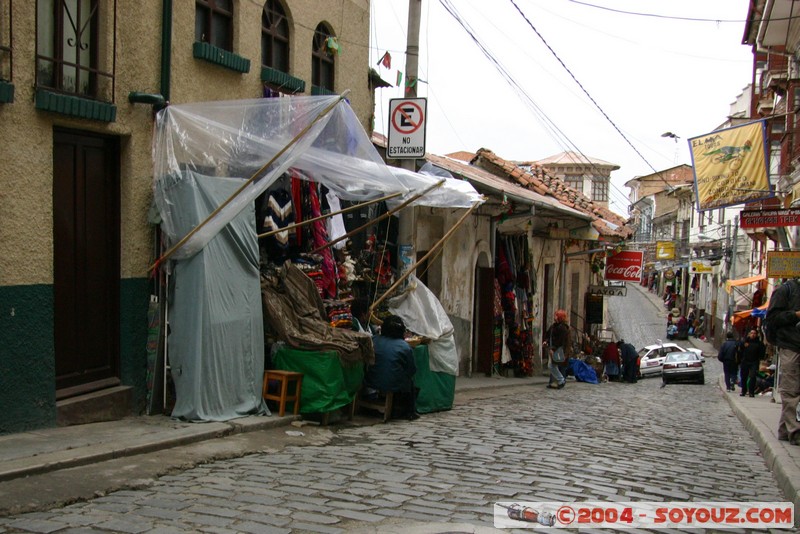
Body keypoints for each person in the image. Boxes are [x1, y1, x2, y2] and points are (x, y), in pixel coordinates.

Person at [764, 279, 800, 445]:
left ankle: (784, 430)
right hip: (790, 345)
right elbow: (772, 319)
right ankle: (795, 431)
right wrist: (795, 315)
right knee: (791, 389)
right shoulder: (785, 290)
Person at [363, 315, 419, 420]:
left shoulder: (374, 340)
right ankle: (409, 412)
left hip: (369, 379)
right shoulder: (405, 347)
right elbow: (411, 370)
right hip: (391, 383)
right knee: (410, 382)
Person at [543, 309, 571, 389]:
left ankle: (561, 380)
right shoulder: (554, 326)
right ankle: (558, 381)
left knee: (553, 366)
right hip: (554, 349)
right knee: (553, 366)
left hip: (559, 350)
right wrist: (546, 341)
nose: (554, 317)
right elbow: (549, 335)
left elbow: (560, 341)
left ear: (560, 317)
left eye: (556, 316)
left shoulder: (562, 328)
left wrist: (553, 348)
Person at [736, 328, 766, 398]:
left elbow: (762, 352)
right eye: (751, 333)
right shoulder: (745, 342)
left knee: (752, 377)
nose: (753, 335)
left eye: (754, 333)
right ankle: (743, 391)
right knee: (744, 377)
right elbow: (739, 350)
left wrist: (760, 358)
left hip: (754, 362)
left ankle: (751, 392)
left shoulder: (759, 343)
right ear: (749, 334)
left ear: (756, 335)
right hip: (745, 361)